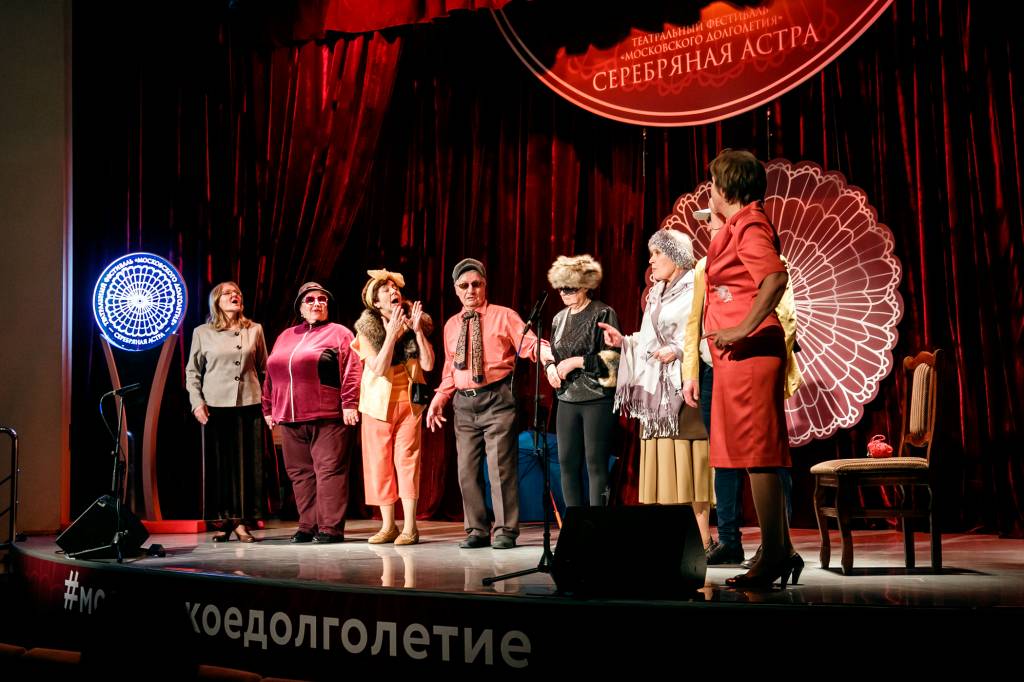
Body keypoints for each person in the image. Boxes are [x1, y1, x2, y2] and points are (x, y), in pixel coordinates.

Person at [699, 148, 803, 588]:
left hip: (752, 353)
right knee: (750, 453)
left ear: (726, 188)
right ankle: (781, 549)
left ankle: (775, 553)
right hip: (739, 357)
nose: (709, 191)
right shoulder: (738, 224)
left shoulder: (751, 223)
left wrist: (742, 328)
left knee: (759, 453)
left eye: (713, 184)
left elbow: (774, 278)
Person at [599, 230, 714, 552]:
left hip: (685, 385)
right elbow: (650, 339)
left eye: (657, 253)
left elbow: (705, 332)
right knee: (665, 465)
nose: (651, 260)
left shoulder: (696, 287)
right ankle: (673, 539)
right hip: (657, 393)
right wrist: (624, 341)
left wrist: (677, 351)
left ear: (676, 255)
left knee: (690, 466)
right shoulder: (656, 293)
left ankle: (703, 540)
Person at [425, 258, 541, 549]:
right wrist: (440, 396)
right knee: (466, 469)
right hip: (464, 404)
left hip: (496, 398)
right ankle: (476, 529)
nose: (470, 290)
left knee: (500, 468)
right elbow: (451, 367)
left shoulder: (504, 316)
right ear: (456, 290)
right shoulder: (452, 324)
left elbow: (529, 344)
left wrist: (549, 357)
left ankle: (505, 530)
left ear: (484, 286)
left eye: (476, 284)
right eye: (464, 285)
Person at [262, 282, 361, 544]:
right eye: (310, 300)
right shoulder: (285, 336)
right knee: (300, 473)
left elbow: (352, 369)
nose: (317, 303)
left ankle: (329, 528)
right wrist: (268, 407)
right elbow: (270, 373)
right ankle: (308, 525)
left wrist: (350, 402)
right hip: (290, 416)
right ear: (300, 308)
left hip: (327, 415)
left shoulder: (339, 333)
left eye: (322, 299)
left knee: (329, 471)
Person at [352, 269, 434, 546]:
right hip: (377, 406)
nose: (393, 291)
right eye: (385, 290)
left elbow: (428, 365)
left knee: (407, 463)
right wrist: (390, 335)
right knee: (380, 464)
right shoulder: (367, 330)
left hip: (409, 404)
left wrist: (417, 331)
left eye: (394, 288)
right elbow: (377, 367)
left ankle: (410, 527)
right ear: (376, 302)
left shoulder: (414, 322)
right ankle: (388, 526)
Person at [186, 282, 268, 542]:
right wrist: (196, 402)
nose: (235, 296)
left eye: (238, 293)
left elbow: (265, 369)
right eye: (228, 293)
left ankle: (242, 522)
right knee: (220, 466)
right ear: (216, 301)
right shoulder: (202, 332)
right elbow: (192, 371)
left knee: (246, 466)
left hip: (249, 403)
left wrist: (269, 404)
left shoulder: (254, 329)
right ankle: (223, 519)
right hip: (214, 406)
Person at [541, 255, 619, 507]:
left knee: (595, 464)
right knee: (567, 463)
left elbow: (612, 362)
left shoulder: (603, 313)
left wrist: (576, 362)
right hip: (567, 399)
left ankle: (597, 524)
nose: (564, 293)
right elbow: (554, 355)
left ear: (585, 286)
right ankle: (574, 523)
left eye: (570, 287)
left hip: (596, 398)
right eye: (561, 288)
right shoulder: (558, 319)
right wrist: (550, 368)